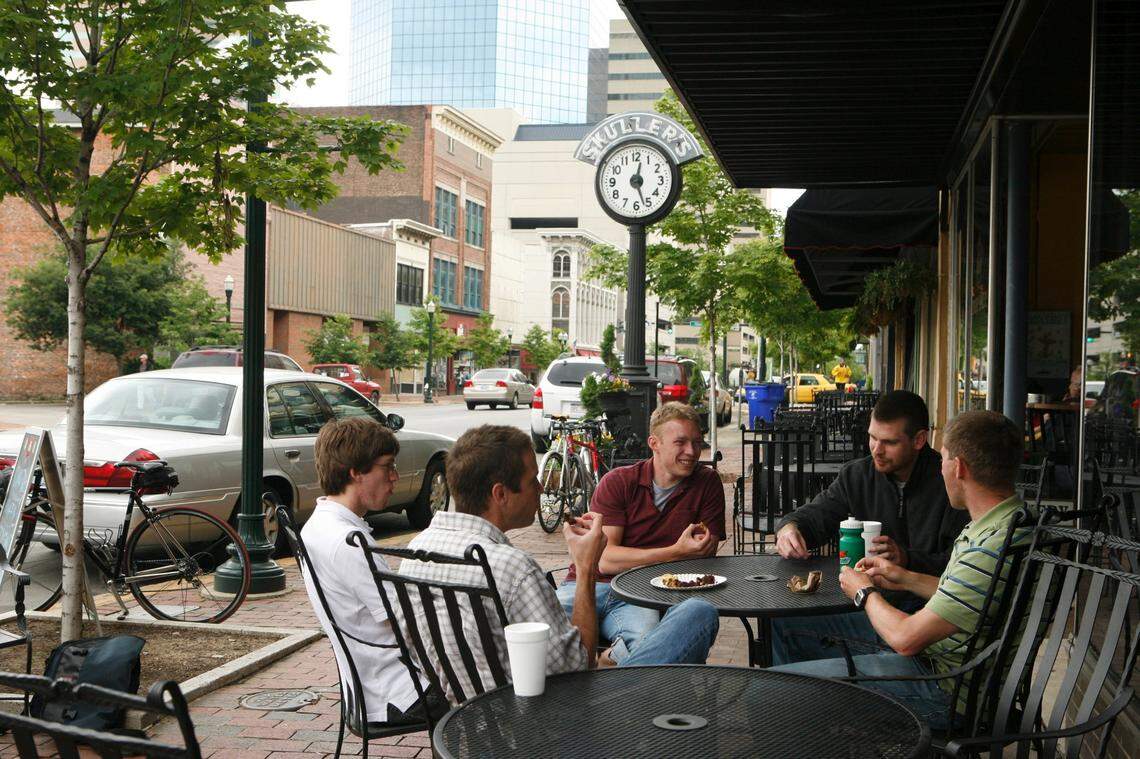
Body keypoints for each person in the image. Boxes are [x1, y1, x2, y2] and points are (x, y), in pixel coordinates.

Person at [401, 425, 720, 702]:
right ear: (500, 494)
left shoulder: (416, 551)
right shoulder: (513, 568)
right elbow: (576, 667)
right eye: (532, 481)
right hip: (551, 720)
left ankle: (623, 667)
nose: (542, 489)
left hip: (469, 718)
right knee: (698, 613)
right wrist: (584, 567)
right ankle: (637, 704)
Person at [770, 411, 1032, 730]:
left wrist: (863, 592)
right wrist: (903, 576)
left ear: (959, 467)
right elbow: (972, 596)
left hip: (945, 690)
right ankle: (817, 725)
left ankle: (808, 720)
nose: (940, 465)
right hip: (956, 665)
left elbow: (905, 639)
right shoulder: (1010, 524)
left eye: (944, 458)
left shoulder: (989, 546)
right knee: (787, 625)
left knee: (772, 691)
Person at [771, 390, 969, 664]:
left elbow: (961, 567)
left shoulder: (949, 484)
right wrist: (790, 528)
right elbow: (818, 514)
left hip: (927, 618)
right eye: (873, 437)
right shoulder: (858, 475)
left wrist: (907, 559)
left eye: (889, 442)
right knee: (779, 623)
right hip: (870, 607)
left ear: (919, 440)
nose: (876, 449)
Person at [302, 416, 447, 726]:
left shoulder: (319, 523)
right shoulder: (348, 542)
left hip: (368, 684)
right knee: (493, 683)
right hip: (398, 691)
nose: (395, 476)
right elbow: (404, 622)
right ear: (356, 473)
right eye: (387, 466)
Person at [554, 402, 725, 664]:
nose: (691, 451)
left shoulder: (706, 482)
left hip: (640, 594)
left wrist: (688, 553)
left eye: (697, 442)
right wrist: (674, 553)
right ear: (654, 443)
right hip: (587, 584)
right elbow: (605, 559)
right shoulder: (620, 481)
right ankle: (612, 667)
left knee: (653, 646)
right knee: (545, 637)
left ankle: (611, 661)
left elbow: (704, 553)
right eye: (680, 442)